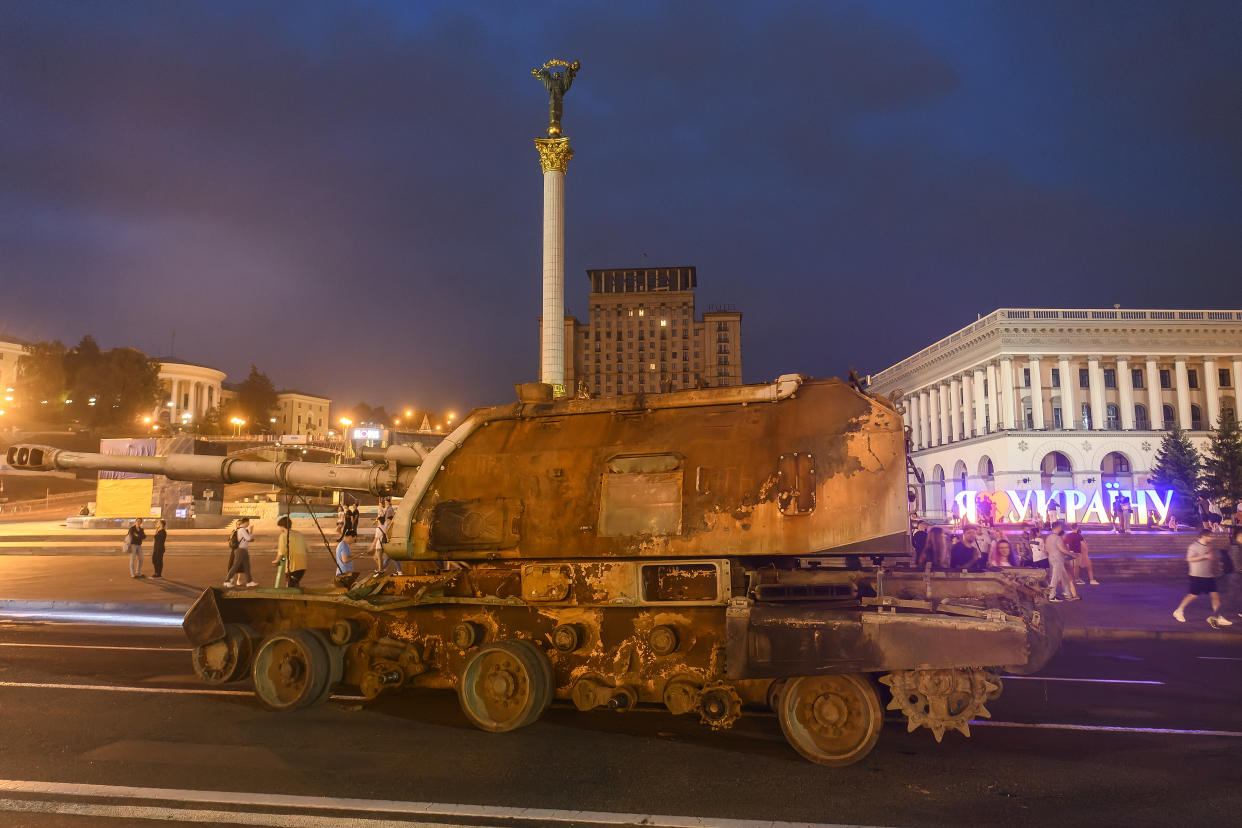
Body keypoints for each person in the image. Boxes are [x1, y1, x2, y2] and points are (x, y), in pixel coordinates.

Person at [1173, 529, 1233, 628]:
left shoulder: (1209, 546)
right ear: (1204, 536)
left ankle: (1218, 616)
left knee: (1215, 596)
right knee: (1193, 595)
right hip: (1196, 575)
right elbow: (1189, 559)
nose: (1212, 538)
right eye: (1210, 536)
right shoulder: (1193, 546)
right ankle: (1179, 611)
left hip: (1209, 575)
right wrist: (1204, 557)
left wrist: (1214, 561)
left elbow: (1209, 557)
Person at [1045, 521, 1078, 602]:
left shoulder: (1048, 537)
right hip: (1058, 560)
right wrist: (1071, 554)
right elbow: (1061, 549)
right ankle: (1052, 596)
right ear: (1058, 527)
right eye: (1060, 527)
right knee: (1055, 578)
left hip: (1051, 558)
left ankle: (1068, 594)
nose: (1061, 528)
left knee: (1063, 578)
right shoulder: (1057, 538)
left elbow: (1046, 549)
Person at [272, 515, 309, 588]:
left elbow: (281, 552)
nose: (279, 529)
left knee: (290, 588)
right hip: (302, 566)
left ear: (282, 526)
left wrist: (276, 561)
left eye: (279, 527)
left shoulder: (283, 535)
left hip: (292, 567)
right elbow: (307, 549)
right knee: (295, 584)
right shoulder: (299, 534)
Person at [225, 517, 257, 587]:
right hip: (239, 550)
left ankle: (249, 581)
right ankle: (228, 580)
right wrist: (251, 531)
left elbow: (247, 540)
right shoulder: (241, 530)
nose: (249, 524)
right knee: (235, 566)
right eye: (248, 522)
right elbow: (248, 538)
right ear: (245, 522)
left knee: (246, 566)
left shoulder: (243, 530)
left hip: (243, 549)